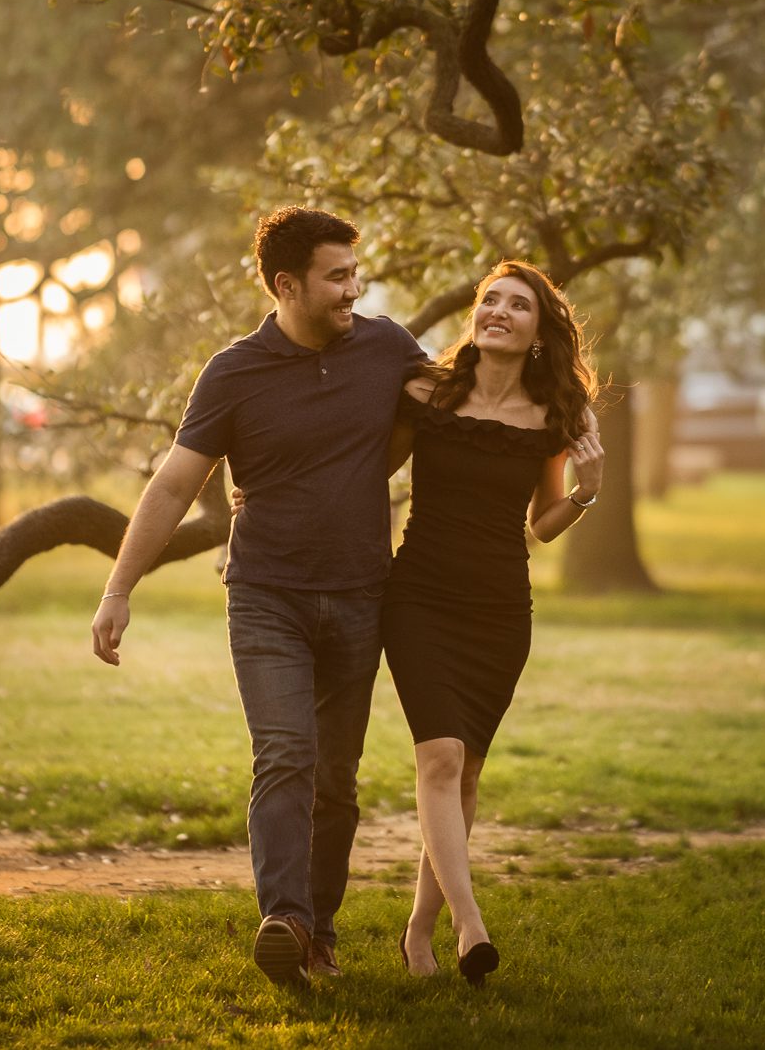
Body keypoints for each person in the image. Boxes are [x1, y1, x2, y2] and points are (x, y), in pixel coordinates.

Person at [236, 259, 604, 987]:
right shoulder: (428, 391)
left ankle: (420, 929)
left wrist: (587, 493)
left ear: (539, 329)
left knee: (466, 771)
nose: (497, 310)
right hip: (418, 600)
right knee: (437, 759)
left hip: (500, 610)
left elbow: (543, 524)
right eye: (489, 299)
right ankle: (473, 926)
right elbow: (362, 465)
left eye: (517, 305)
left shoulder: (556, 415)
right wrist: (273, 491)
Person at [89, 206, 425, 989]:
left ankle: (320, 934)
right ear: (287, 284)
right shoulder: (233, 371)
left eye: (354, 272)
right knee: (285, 754)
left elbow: (444, 408)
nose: (354, 288)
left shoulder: (387, 347)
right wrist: (118, 587)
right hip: (267, 594)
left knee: (336, 773)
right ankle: (286, 919)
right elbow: (175, 483)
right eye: (337, 276)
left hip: (360, 594)